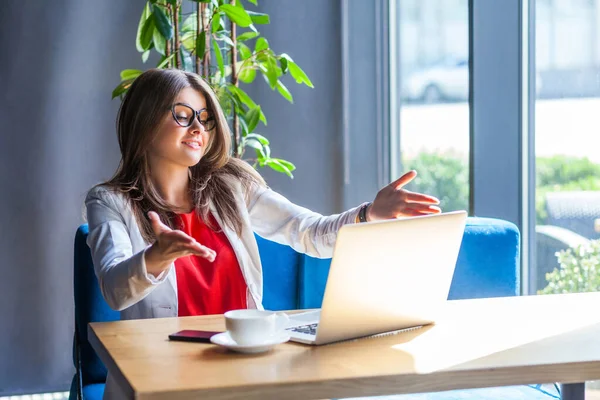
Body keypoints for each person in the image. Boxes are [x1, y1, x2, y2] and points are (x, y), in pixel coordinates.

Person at [85, 68, 441, 399]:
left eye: (204, 118)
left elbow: (309, 232)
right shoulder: (110, 201)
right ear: (144, 122)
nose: (198, 128)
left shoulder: (231, 186)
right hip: (164, 374)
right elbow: (115, 291)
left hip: (244, 367)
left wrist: (370, 214)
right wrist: (155, 257)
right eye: (182, 115)